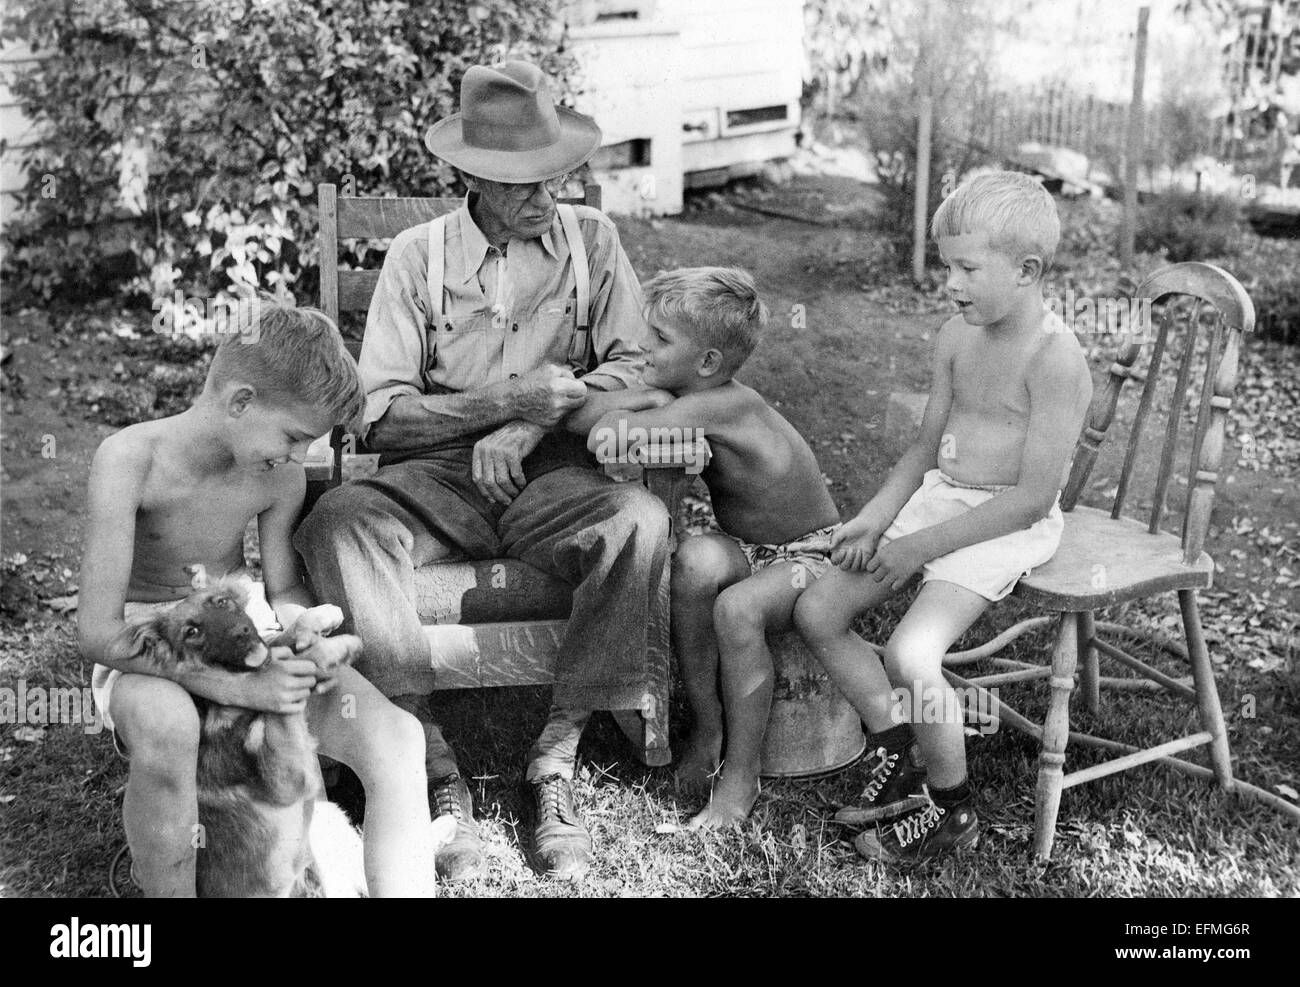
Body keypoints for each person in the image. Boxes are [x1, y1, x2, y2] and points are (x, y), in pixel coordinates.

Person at [294, 60, 669, 882]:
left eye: (555, 174)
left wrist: (533, 422)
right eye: (523, 181)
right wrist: (501, 401)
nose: (549, 193)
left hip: (554, 476)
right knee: (335, 522)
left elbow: (637, 371)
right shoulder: (416, 257)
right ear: (467, 174)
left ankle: (556, 757)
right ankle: (431, 769)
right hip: (436, 482)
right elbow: (379, 414)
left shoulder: (594, 244)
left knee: (638, 520)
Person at [78, 305, 437, 897]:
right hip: (148, 649)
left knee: (398, 737)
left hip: (251, 639)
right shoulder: (129, 462)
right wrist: (239, 689)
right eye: (295, 437)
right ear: (241, 402)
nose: (299, 457)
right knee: (170, 725)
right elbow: (98, 633)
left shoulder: (277, 474)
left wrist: (303, 635)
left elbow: (284, 590)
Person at [795, 171, 1094, 862]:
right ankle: (898, 741)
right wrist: (876, 518)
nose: (950, 284)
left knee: (910, 652)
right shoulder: (957, 336)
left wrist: (919, 546)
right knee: (818, 611)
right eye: (946, 266)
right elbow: (925, 449)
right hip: (942, 495)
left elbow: (1028, 496)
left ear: (1026, 271)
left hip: (1003, 522)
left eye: (966, 268)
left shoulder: (1057, 359)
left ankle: (952, 811)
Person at [584, 267, 841, 829]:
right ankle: (708, 726)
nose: (643, 347)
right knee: (694, 563)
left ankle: (739, 777)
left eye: (660, 339)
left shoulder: (724, 404)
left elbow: (610, 434)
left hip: (812, 556)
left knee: (735, 608)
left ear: (706, 363)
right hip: (753, 547)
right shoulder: (700, 394)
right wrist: (650, 394)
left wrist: (640, 400)